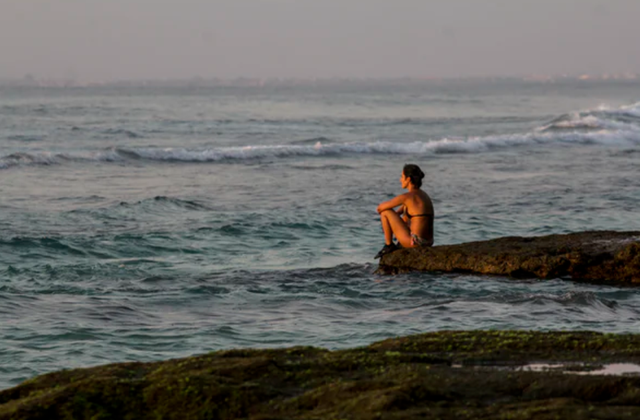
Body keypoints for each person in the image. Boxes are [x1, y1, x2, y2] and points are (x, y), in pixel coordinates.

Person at [374, 164, 434, 259]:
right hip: (428, 241)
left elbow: (380, 208)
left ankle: (389, 245)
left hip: (416, 243)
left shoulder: (406, 197)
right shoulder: (423, 195)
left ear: (408, 179)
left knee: (386, 212)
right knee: (404, 216)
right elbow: (397, 216)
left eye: (402, 177)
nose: (400, 180)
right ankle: (398, 243)